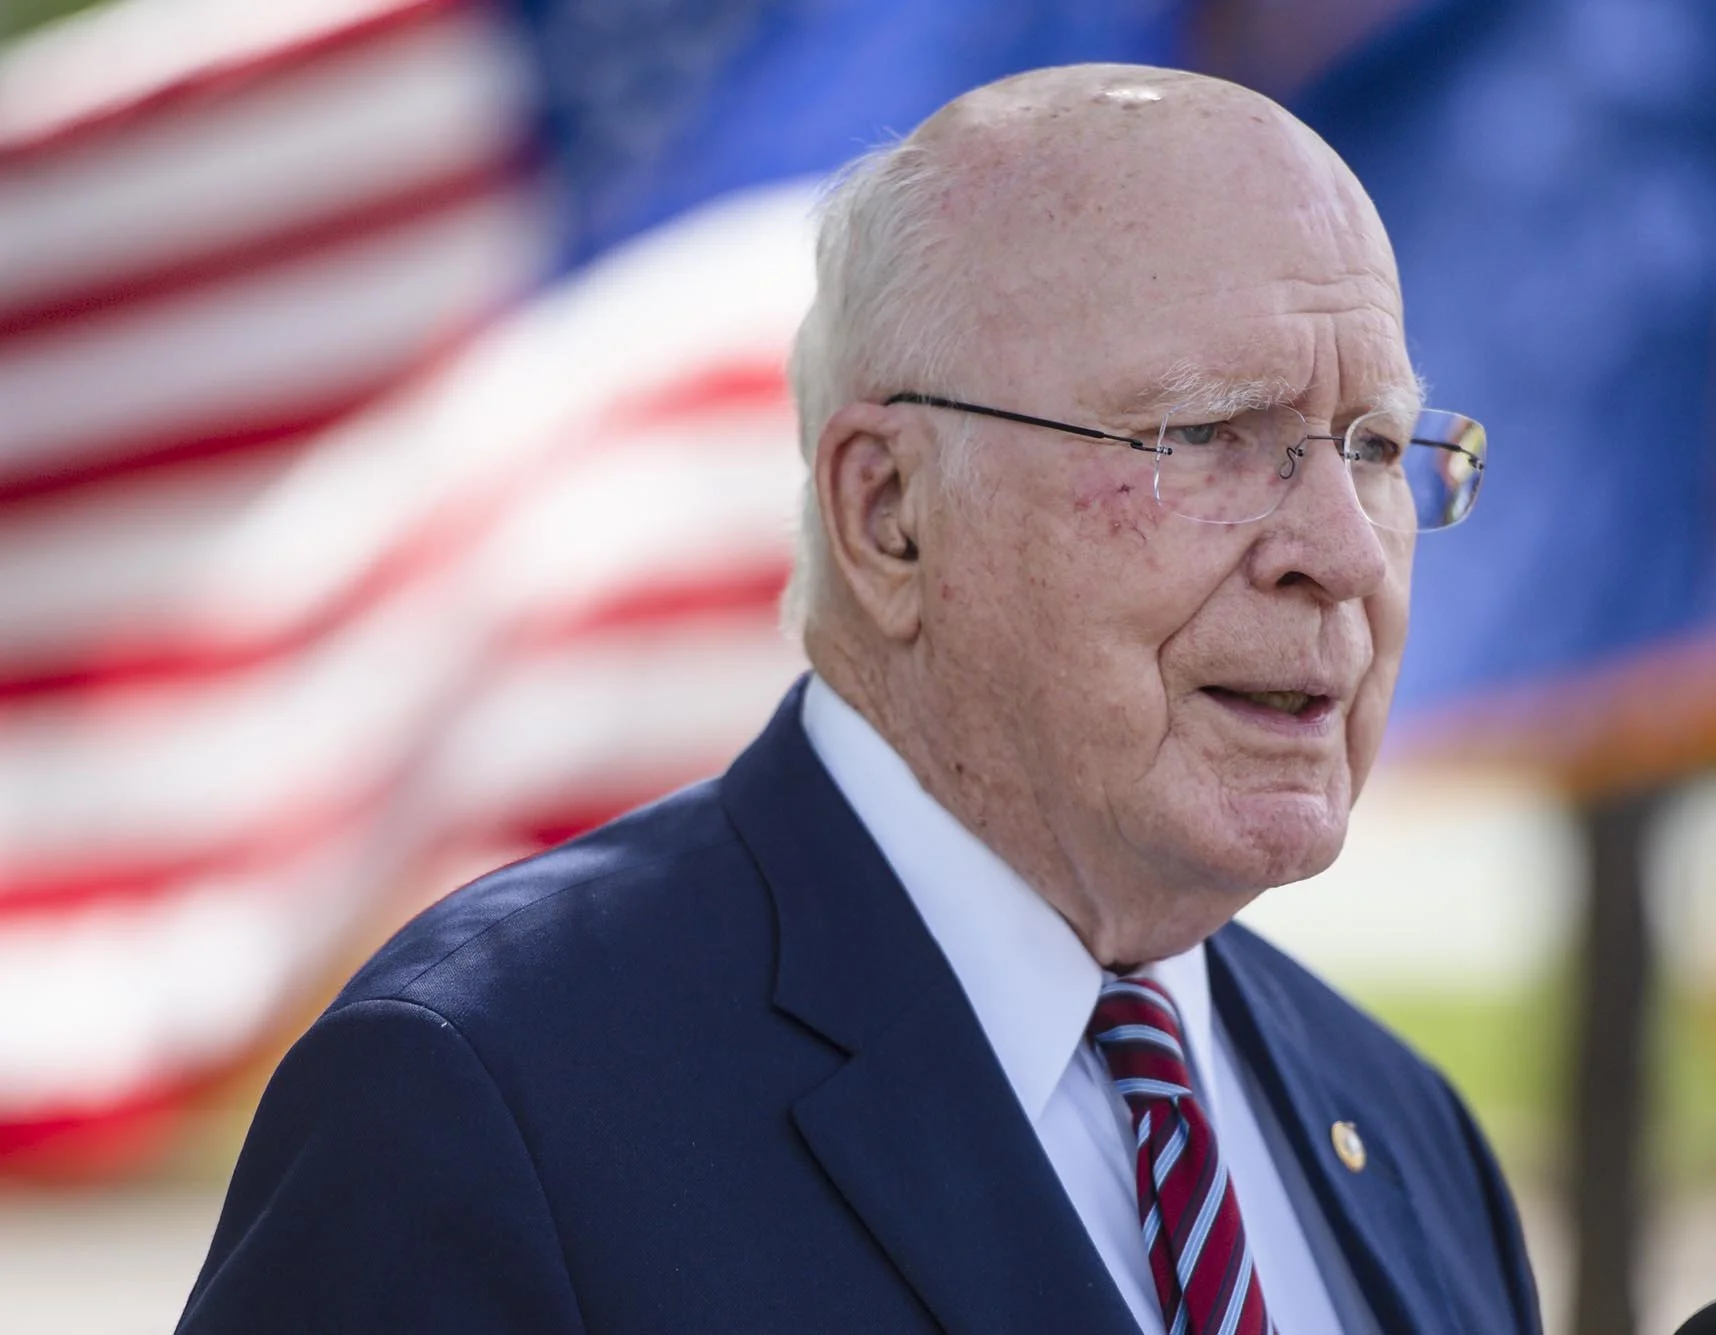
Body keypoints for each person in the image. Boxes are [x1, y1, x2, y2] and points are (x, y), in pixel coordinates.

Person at [177, 63, 1532, 1335]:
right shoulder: (483, 1101)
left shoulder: (1405, 1131)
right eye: (1211, 435)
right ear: (888, 515)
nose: (1347, 551)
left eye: (1369, 447)